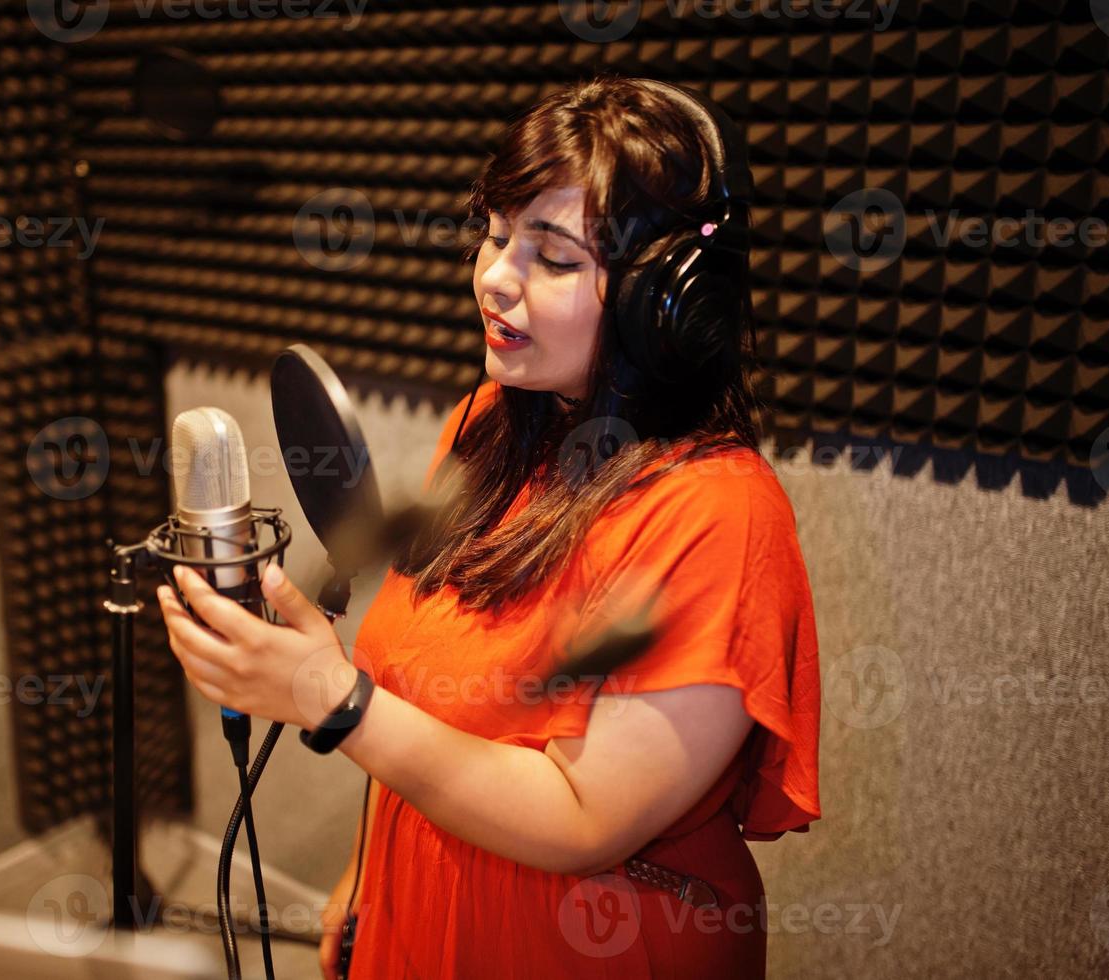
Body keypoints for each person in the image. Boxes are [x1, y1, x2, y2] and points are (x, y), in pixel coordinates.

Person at [157, 74, 820, 979]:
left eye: (551, 259)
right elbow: (436, 701)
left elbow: (585, 818)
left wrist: (330, 697)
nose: (494, 279)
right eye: (496, 236)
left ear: (663, 303)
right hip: (428, 909)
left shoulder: (718, 516)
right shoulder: (488, 428)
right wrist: (372, 867)